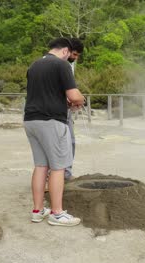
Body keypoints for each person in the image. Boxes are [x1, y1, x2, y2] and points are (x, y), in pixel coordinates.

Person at [24, 37, 85, 226]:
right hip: (51, 121)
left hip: (31, 120)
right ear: (66, 50)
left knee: (41, 166)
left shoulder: (34, 66)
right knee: (58, 167)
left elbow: (46, 93)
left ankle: (38, 210)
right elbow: (74, 95)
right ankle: (57, 213)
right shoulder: (61, 65)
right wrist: (80, 100)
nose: (70, 59)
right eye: (70, 55)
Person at [65, 38, 84, 181]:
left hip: (65, 111)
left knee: (70, 141)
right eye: (75, 54)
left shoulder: (69, 65)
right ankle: (51, 178)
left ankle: (66, 174)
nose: (76, 58)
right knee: (59, 144)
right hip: (53, 114)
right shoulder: (58, 65)